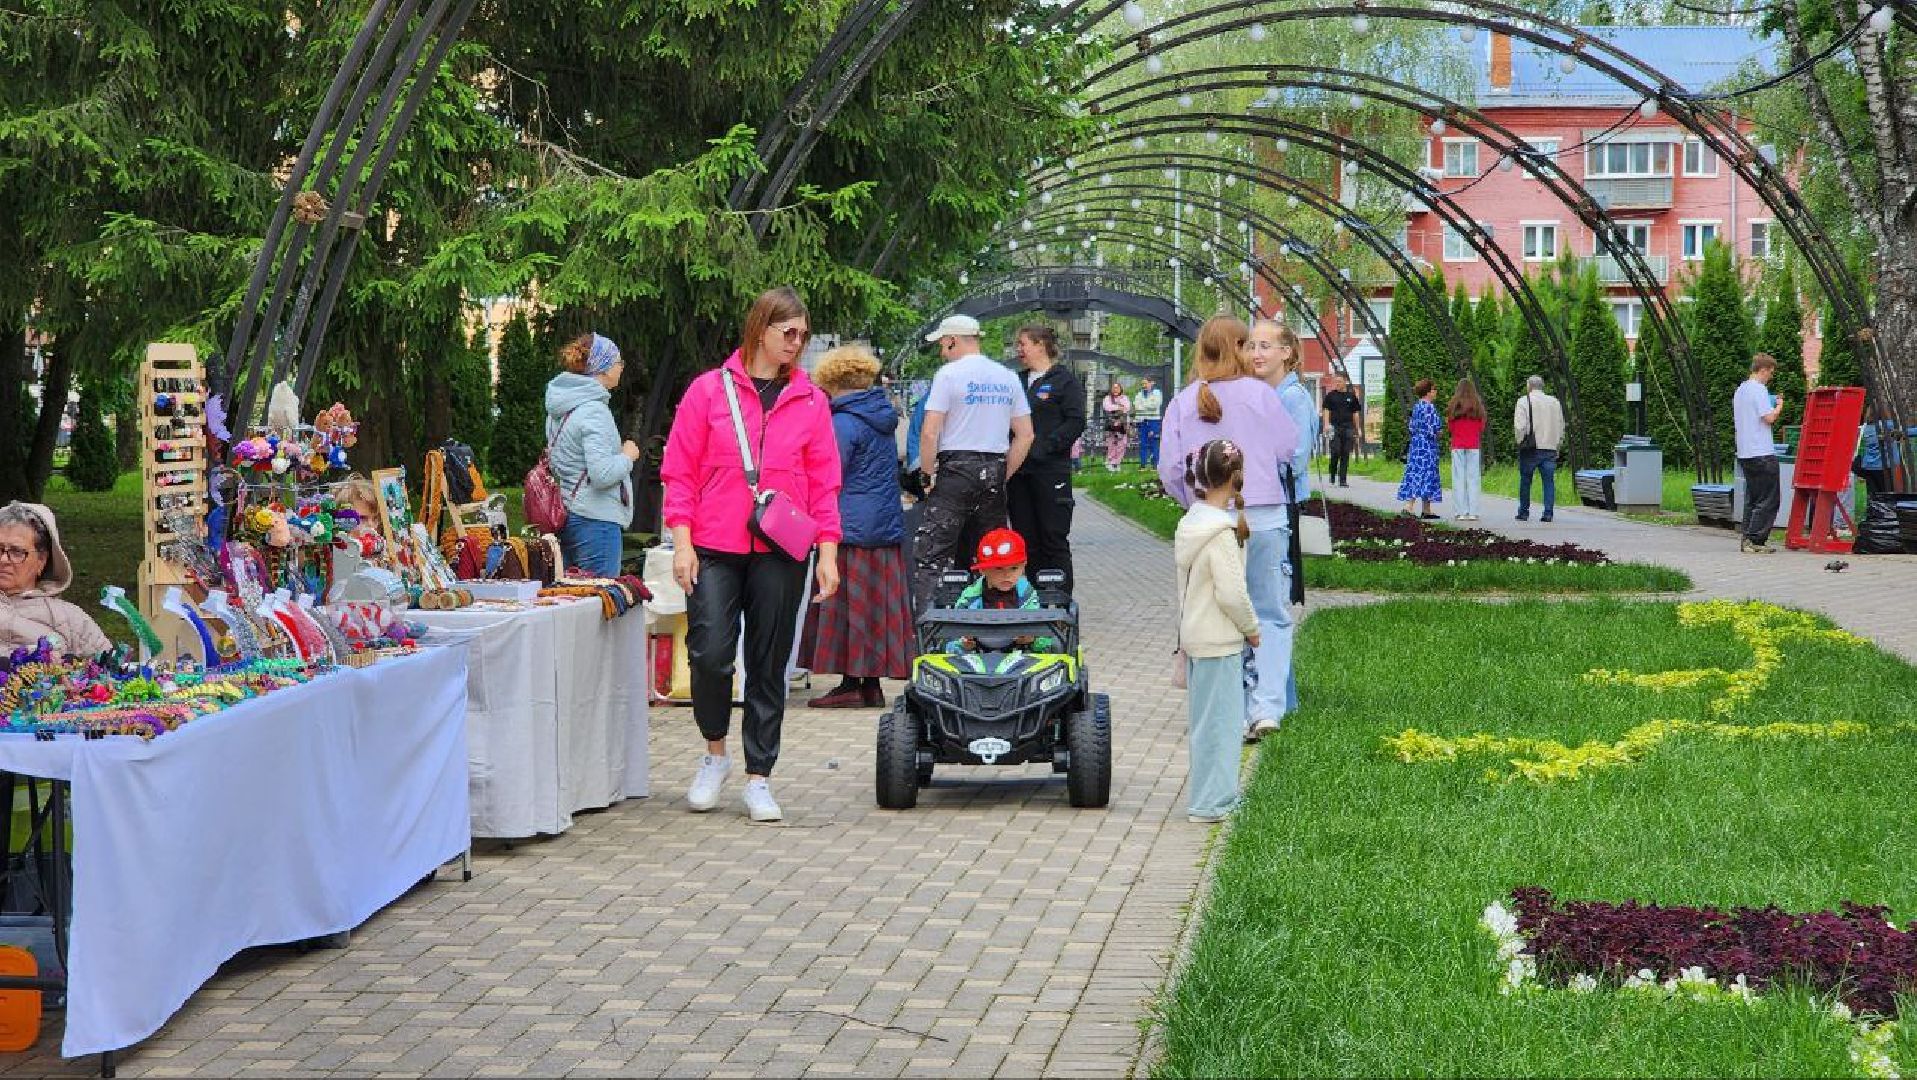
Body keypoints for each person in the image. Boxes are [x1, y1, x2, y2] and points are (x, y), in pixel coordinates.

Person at [662, 286, 844, 823]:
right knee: (710, 653)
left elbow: (824, 483)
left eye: (803, 335)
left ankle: (759, 775)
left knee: (769, 663)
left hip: (782, 548)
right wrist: (682, 542)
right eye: (789, 333)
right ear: (760, 328)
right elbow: (679, 471)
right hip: (714, 545)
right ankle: (713, 753)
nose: (797, 343)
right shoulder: (707, 392)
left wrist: (828, 553)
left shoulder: (811, 401)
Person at [1157, 316, 1299, 741]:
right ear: (1238, 348)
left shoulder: (1184, 401)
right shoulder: (1261, 394)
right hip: (1265, 516)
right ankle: (1267, 708)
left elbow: (1169, 469)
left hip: (1211, 520)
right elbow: (1288, 448)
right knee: (1269, 613)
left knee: (1220, 615)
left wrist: (1196, 502)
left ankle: (1232, 710)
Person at [806, 345, 912, 709]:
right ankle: (869, 684)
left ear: (831, 381)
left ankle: (852, 683)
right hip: (883, 523)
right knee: (873, 607)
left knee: (849, 607)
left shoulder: (843, 422)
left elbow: (828, 474)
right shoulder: (879, 417)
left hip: (850, 525)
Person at [911, 314, 1035, 609]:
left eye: (943, 344)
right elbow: (1026, 435)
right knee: (995, 557)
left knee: (933, 555)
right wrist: (1002, 474)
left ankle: (930, 631)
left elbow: (930, 433)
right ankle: (998, 626)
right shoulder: (1007, 377)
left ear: (952, 339)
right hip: (993, 471)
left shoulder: (949, 375)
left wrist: (927, 478)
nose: (942, 352)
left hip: (954, 470)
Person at [1173, 439, 1260, 824]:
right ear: (1236, 478)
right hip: (1220, 639)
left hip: (1195, 635)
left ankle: (1207, 797)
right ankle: (1214, 803)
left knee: (1205, 725)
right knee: (1223, 727)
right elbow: (1232, 593)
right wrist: (1252, 629)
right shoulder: (1222, 534)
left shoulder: (1190, 524)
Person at [545, 332, 641, 577]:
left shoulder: (561, 408)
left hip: (568, 514)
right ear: (603, 367)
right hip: (596, 521)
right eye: (618, 361)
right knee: (599, 604)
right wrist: (627, 456)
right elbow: (602, 474)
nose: (621, 367)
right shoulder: (594, 411)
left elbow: (558, 464)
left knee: (572, 604)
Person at [1006, 324, 1085, 593]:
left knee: (1053, 537)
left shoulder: (1065, 381)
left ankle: (1060, 601)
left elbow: (1076, 422)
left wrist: (1045, 447)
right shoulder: (1016, 381)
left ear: (1040, 345)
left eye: (1023, 344)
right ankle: (1032, 599)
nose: (1019, 350)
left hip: (1050, 471)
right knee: (1026, 538)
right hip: (1019, 473)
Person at [0, 502, 112, 656]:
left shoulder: (70, 619)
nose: (3, 559)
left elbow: (111, 670)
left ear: (41, 560)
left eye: (17, 552)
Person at [942, 528, 1057, 654]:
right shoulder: (971, 596)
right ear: (983, 570)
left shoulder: (1026, 594)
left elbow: (1038, 625)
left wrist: (1032, 639)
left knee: (1052, 646)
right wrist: (963, 642)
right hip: (978, 655)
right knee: (947, 649)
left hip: (1019, 655)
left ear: (1023, 566)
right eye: (999, 568)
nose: (1007, 575)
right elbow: (954, 630)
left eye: (1014, 568)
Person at [1734, 353, 1786, 554]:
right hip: (1762, 451)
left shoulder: (1741, 390)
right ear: (1763, 370)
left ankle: (1747, 538)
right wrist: (1779, 405)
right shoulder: (1759, 389)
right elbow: (1769, 417)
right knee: (1769, 498)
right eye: (1770, 373)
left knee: (1753, 498)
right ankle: (1756, 540)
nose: (1770, 377)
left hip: (1745, 452)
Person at [1513, 375, 1566, 523]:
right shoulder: (1555, 402)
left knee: (1525, 480)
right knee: (1548, 481)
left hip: (1531, 447)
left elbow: (1520, 426)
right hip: (1549, 448)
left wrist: (1520, 441)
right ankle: (1548, 513)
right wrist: (1558, 445)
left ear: (1529, 386)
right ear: (1542, 386)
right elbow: (1561, 426)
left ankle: (1524, 512)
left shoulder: (1523, 401)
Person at [1396, 379, 1443, 520]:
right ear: (1428, 392)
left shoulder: (1417, 406)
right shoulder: (1429, 407)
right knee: (1426, 473)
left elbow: (1412, 426)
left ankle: (1425, 509)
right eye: (1434, 389)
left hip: (1416, 446)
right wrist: (1438, 433)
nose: (1436, 392)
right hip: (1427, 446)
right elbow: (1433, 428)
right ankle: (1409, 506)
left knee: (1416, 472)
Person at [1447, 379, 1488, 522]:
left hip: (1457, 444)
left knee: (1458, 478)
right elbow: (1482, 426)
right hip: (1473, 445)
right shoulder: (1477, 405)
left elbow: (1450, 427)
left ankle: (1460, 512)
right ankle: (1473, 512)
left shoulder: (1453, 405)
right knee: (1473, 478)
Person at [1321, 375, 1362, 488]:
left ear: (1345, 382)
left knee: (1345, 453)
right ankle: (1332, 472)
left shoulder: (1351, 396)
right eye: (1336, 381)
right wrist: (1326, 425)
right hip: (1334, 427)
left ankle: (1342, 480)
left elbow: (1355, 413)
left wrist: (1358, 428)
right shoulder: (1331, 396)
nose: (1337, 383)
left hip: (1348, 427)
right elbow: (1326, 410)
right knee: (1335, 451)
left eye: (1339, 381)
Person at [1132, 375, 1164, 468]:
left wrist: (1143, 405)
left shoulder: (1157, 393)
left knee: (1154, 442)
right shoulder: (1139, 394)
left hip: (1153, 421)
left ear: (1152, 383)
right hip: (1142, 421)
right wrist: (1146, 405)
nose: (1144, 385)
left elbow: (1155, 405)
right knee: (1143, 443)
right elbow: (1136, 406)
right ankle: (1143, 464)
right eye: (1143, 383)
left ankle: (1155, 464)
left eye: (1146, 383)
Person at [1100, 380, 1132, 471]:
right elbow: (1107, 407)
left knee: (1122, 443)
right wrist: (1119, 407)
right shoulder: (1107, 398)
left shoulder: (1125, 397)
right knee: (1111, 443)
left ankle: (1117, 462)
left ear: (1120, 389)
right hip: (1111, 423)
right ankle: (1110, 461)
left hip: (1122, 423)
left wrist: (1117, 407)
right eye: (1114, 388)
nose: (1115, 390)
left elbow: (1127, 408)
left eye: (1117, 388)